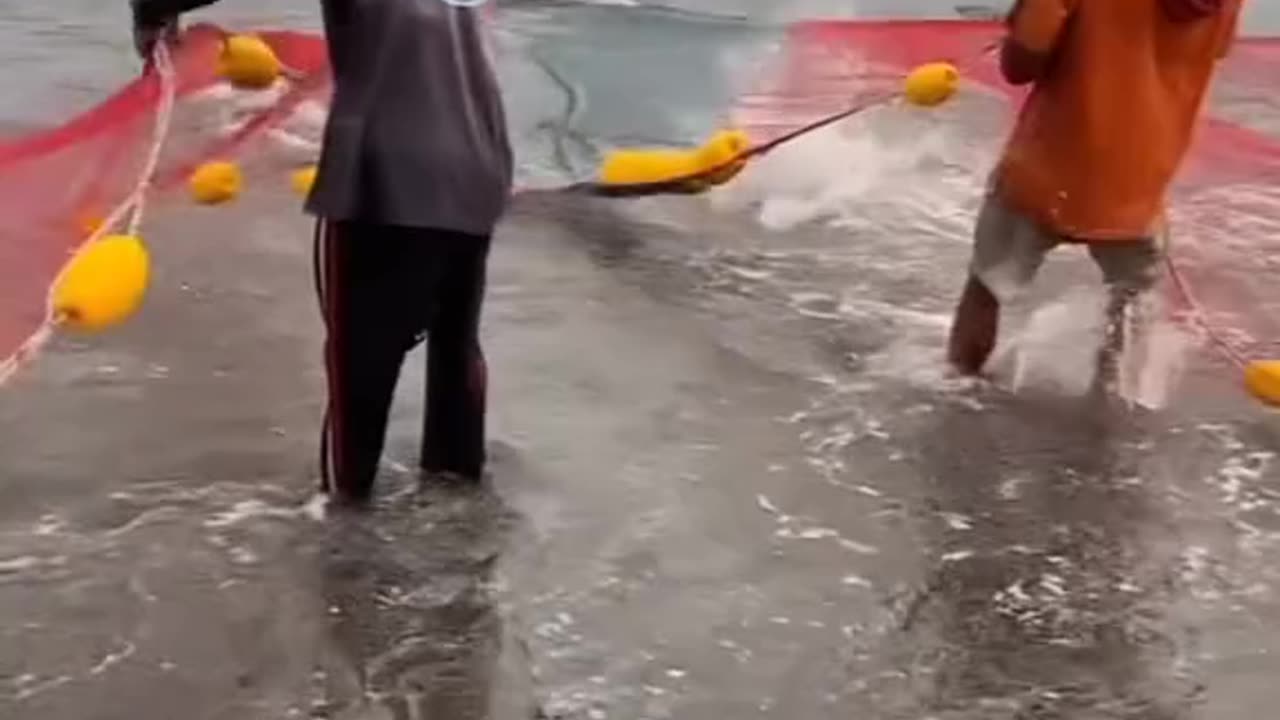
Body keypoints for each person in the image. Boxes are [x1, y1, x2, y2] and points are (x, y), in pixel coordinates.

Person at [132, 0, 514, 503]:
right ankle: (462, 513)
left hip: (387, 172)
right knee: (456, 348)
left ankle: (345, 533)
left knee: (361, 364)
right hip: (480, 163)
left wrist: (153, 13)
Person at [946, 0, 1243, 392]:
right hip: (1140, 180)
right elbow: (1209, 50)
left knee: (987, 286)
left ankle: (960, 396)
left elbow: (1020, 66)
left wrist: (1023, 22)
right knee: (1129, 312)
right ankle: (1109, 426)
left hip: (1046, 168)